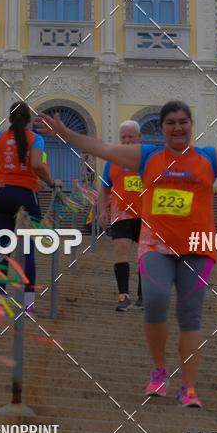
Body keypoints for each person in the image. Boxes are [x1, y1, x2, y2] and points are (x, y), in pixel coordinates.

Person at [37, 102, 217, 408]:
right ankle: (159, 370)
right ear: (161, 128)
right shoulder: (147, 156)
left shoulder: (208, 159)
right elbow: (102, 148)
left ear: (191, 125)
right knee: (156, 303)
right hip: (156, 245)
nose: (178, 127)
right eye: (170, 122)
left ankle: (188, 386)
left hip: (198, 247)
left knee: (190, 316)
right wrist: (66, 133)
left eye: (183, 121)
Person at [0, 102, 60, 315]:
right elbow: (37, 165)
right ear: (28, 120)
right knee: (28, 249)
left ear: (9, 119)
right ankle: (28, 303)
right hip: (26, 196)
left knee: (1, 248)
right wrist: (51, 183)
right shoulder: (35, 139)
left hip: (0, 195)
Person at [98, 120, 144, 312]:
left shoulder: (149, 158)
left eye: (130, 136)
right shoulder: (113, 160)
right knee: (121, 252)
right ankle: (123, 295)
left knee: (146, 257)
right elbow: (104, 187)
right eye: (123, 137)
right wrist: (102, 210)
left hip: (146, 215)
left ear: (139, 138)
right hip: (121, 214)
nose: (126, 140)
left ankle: (144, 296)